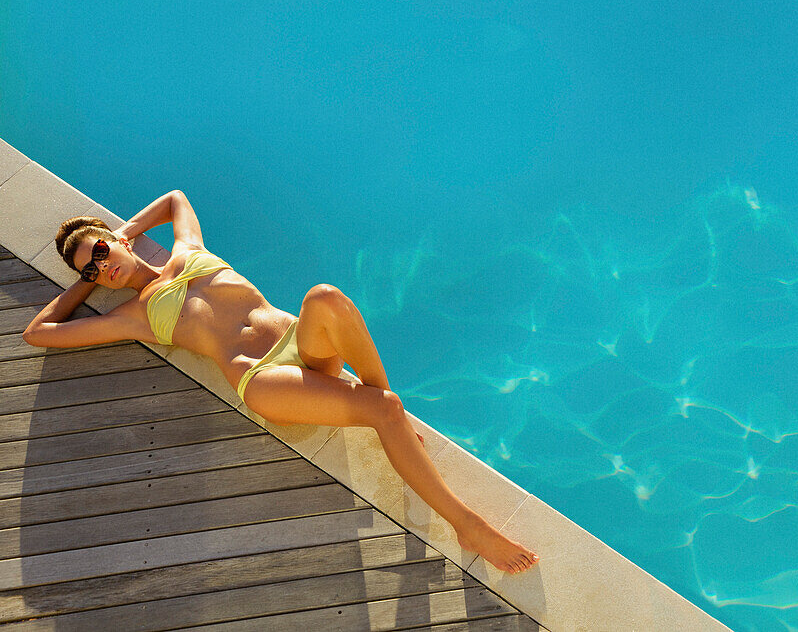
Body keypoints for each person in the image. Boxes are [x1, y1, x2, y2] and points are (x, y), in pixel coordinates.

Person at [22, 190, 538, 574]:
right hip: (263, 378)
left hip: (302, 345)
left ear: (115, 240)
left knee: (326, 297)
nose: (102, 267)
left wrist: (129, 230)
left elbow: (176, 198)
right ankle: (466, 525)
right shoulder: (133, 316)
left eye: (100, 252)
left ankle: (376, 401)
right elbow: (37, 333)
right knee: (385, 408)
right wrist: (77, 286)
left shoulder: (187, 247)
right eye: (90, 269)